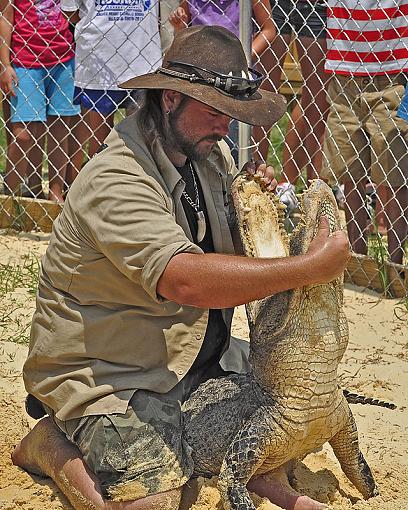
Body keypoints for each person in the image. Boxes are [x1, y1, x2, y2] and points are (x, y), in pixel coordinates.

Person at [12, 26, 350, 510]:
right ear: (170, 99)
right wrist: (306, 268)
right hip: (110, 374)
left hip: (188, 356)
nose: (225, 128)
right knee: (156, 498)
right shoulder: (118, 178)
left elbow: (226, 254)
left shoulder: (206, 155)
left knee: (276, 434)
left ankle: (248, 476)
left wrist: (254, 212)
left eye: (231, 116)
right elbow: (186, 279)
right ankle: (52, 443)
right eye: (215, 112)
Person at [321, 0, 408, 266]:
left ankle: (394, 262)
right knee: (350, 171)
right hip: (343, 74)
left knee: (394, 174)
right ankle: (357, 258)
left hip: (393, 74)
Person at [168, 0, 276, 163]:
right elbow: (184, 30)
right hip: (200, 78)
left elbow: (269, 30)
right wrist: (179, 25)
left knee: (232, 142)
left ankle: (232, 177)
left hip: (235, 81)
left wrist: (240, 60)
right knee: (198, 138)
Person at [253, 0, 330, 212]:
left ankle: (314, 198)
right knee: (262, 97)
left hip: (317, 6)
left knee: (317, 102)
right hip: (273, 4)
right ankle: (254, 185)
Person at [0, 0, 80, 202]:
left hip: (63, 59)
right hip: (25, 62)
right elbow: (6, 18)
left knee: (61, 128)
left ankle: (55, 193)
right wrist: (5, 64)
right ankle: (9, 194)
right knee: (23, 134)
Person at [61, 0, 162, 159]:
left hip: (143, 61)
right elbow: (70, 12)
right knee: (99, 139)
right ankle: (100, 179)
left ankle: (138, 181)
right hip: (99, 59)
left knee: (143, 137)